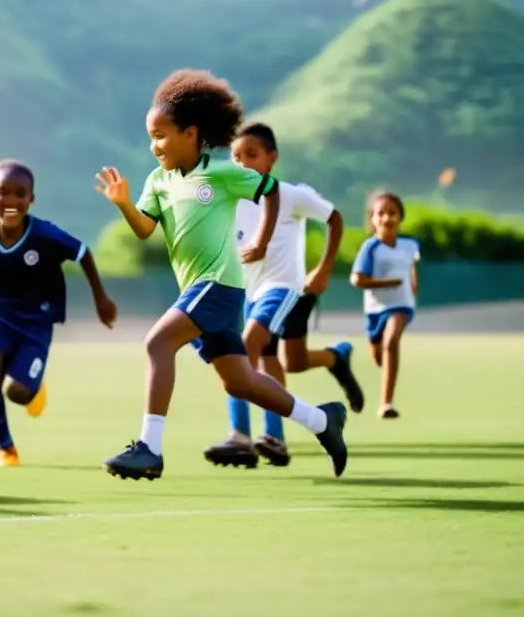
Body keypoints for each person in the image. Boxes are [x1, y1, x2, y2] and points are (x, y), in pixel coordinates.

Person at [95, 69, 348, 481]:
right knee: (240, 382)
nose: (155, 145)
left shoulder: (223, 174)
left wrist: (263, 240)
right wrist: (122, 203)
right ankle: (322, 420)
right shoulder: (158, 181)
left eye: (161, 135)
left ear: (191, 134)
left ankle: (150, 449)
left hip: (217, 285)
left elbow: (273, 192)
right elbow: (144, 230)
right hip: (201, 289)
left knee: (158, 342)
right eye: (150, 138)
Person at [203, 122, 363, 469]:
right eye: (236, 156)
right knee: (266, 359)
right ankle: (268, 439)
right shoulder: (232, 199)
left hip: (282, 288)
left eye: (252, 155)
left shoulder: (290, 195)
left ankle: (244, 436)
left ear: (271, 159)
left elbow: (334, 219)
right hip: (245, 291)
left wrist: (322, 269)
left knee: (247, 349)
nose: (242, 163)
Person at [0, 159, 117, 468]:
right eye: (3, 192)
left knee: (18, 393)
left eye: (20, 194)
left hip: (37, 321)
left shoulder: (45, 235)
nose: (12, 201)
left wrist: (101, 299)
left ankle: (33, 386)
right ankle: (6, 450)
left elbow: (82, 252)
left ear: (31, 199)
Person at [350, 191, 420, 419]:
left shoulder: (410, 245)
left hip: (402, 305)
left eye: (392, 213)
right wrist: (389, 282)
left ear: (400, 217)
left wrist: (412, 280)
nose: (386, 218)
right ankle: (389, 366)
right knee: (380, 356)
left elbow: (411, 266)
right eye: (381, 213)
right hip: (375, 310)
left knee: (391, 342)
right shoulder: (370, 248)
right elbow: (357, 279)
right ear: (372, 218)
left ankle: (386, 403)